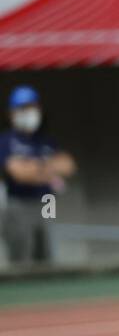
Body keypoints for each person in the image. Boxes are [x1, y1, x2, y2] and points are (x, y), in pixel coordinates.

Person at [1, 86, 76, 267]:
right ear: (12, 113)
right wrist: (47, 167)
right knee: (22, 257)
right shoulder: (6, 140)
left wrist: (35, 167)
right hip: (19, 204)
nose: (29, 112)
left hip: (47, 202)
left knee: (46, 256)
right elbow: (18, 173)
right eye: (23, 108)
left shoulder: (45, 140)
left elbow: (68, 166)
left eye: (33, 107)